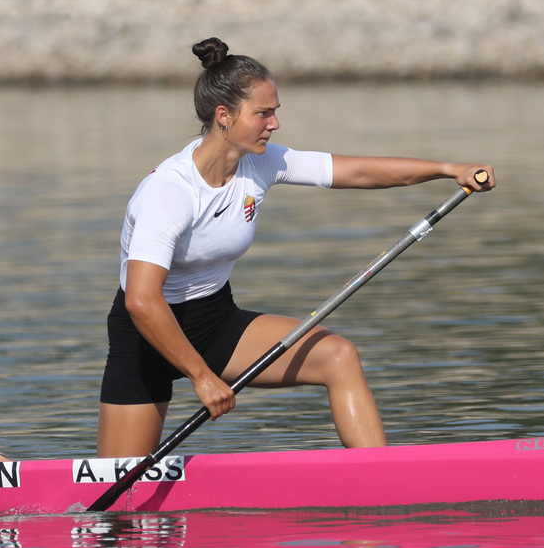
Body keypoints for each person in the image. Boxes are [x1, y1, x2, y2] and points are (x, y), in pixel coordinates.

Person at [97, 38, 495, 458]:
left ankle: (380, 477)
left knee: (338, 356)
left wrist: (449, 169)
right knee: (120, 488)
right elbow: (142, 300)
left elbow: (356, 171)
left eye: (275, 112)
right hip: (149, 336)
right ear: (224, 116)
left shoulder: (259, 162)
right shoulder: (169, 192)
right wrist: (200, 376)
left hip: (214, 323)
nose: (274, 124)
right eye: (263, 114)